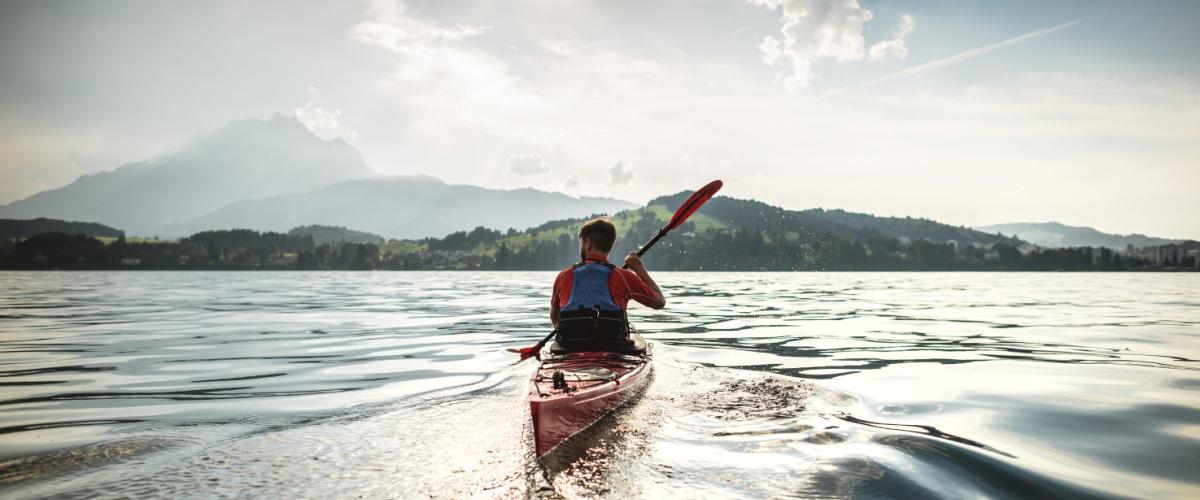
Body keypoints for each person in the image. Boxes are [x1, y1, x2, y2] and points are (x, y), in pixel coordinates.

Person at [550, 217, 665, 354]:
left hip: (570, 347)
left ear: (587, 243)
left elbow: (555, 318)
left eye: (580, 243)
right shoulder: (624, 277)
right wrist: (639, 269)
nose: (581, 246)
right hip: (615, 348)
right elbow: (659, 302)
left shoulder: (563, 276)